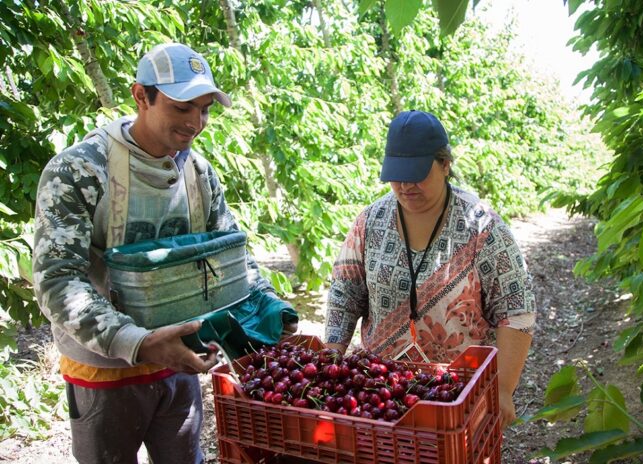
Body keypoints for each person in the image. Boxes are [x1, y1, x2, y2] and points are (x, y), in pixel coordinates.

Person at [33, 43, 292, 463]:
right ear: (141, 96)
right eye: (182, 107)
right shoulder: (81, 170)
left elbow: (229, 254)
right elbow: (58, 280)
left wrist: (268, 304)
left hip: (180, 359)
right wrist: (137, 342)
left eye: (204, 109)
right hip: (105, 369)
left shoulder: (198, 173)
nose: (195, 122)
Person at [324, 110, 536, 429]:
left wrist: (503, 389)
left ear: (445, 165)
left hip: (457, 396)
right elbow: (345, 293)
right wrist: (331, 360)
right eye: (397, 175)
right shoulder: (370, 222)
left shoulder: (483, 228)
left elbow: (516, 310)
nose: (406, 185)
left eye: (417, 174)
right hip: (380, 395)